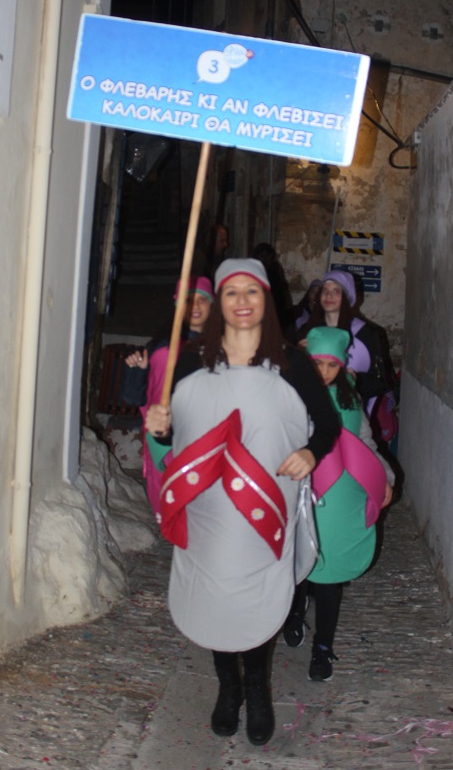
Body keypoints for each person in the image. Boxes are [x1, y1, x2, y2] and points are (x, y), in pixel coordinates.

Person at [145, 258, 340, 746]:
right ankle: (227, 686)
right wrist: (160, 428)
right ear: (220, 304)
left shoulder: (291, 365)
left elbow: (327, 423)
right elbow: (175, 434)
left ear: (265, 300)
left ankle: (256, 685)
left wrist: (310, 452)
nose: (242, 301)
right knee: (216, 593)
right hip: (208, 510)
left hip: (265, 507)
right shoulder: (191, 362)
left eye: (251, 291)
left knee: (256, 594)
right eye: (231, 292)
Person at [283, 326, 394, 681]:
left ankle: (323, 646)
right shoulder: (292, 393)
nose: (325, 372)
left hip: (340, 498)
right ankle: (294, 613)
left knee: (330, 572)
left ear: (342, 366)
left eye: (332, 365)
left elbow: (366, 442)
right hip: (302, 492)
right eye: (317, 363)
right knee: (298, 562)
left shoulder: (349, 397)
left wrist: (384, 476)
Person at [123, 276, 214, 514]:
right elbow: (134, 398)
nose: (195, 306)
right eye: (188, 300)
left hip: (206, 441)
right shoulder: (160, 348)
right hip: (166, 443)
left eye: (202, 300)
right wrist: (136, 371)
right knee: (173, 509)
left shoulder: (222, 348)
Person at [295, 270, 394, 423]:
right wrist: (298, 354)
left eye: (336, 291)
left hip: (349, 415)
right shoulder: (306, 331)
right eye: (325, 291)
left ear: (348, 297)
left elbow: (378, 382)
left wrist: (355, 379)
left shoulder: (366, 334)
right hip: (312, 415)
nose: (329, 296)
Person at [251, 242, 293, 331]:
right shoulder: (253, 272)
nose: (264, 259)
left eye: (266, 256)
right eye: (262, 256)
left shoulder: (274, 272)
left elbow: (281, 297)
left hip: (274, 314)